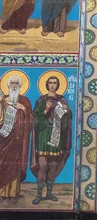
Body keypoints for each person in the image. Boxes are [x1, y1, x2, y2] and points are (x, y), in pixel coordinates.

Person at [30, 75, 72, 205]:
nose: (52, 85)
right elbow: (35, 120)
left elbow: (68, 121)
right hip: (43, 136)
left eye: (55, 83)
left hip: (57, 137)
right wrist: (46, 109)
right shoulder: (41, 100)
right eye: (50, 83)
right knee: (42, 166)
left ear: (57, 85)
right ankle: (38, 195)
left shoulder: (62, 100)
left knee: (53, 166)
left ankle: (49, 193)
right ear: (47, 85)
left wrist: (66, 112)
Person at [0, 75, 33, 203]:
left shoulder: (25, 101)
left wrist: (23, 109)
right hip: (3, 138)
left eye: (16, 83)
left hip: (17, 138)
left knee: (15, 165)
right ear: (8, 85)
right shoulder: (4, 100)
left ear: (19, 86)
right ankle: (2, 193)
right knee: (2, 165)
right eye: (12, 83)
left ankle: (13, 194)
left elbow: (31, 120)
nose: (14, 85)